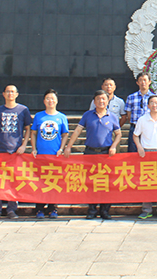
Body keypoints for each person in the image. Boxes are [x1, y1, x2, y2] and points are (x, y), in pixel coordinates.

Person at [64, 90, 121, 220]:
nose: (101, 101)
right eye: (98, 99)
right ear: (94, 101)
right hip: (90, 153)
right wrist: (68, 146)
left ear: (107, 101)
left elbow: (118, 134)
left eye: (103, 99)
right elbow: (77, 131)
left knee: (106, 182)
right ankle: (92, 209)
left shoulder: (112, 116)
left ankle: (105, 210)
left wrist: (113, 146)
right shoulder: (87, 115)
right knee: (90, 182)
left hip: (106, 153)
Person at [0, 84, 32, 220]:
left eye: (12, 92)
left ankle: (11, 209)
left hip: (16, 151)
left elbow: (28, 129)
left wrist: (24, 145)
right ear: (3, 94)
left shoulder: (23, 110)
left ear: (17, 94)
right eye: (8, 91)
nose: (10, 94)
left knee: (14, 181)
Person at [30, 89, 69, 219]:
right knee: (40, 182)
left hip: (55, 156)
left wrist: (61, 148)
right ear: (44, 101)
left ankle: (53, 208)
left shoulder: (61, 117)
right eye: (48, 98)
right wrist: (34, 148)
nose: (50, 101)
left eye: (52, 98)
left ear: (57, 101)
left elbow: (65, 134)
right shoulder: (39, 116)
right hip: (41, 155)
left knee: (54, 182)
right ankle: (39, 209)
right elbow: (33, 133)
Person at [133, 95, 157, 219]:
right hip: (146, 153)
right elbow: (135, 135)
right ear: (148, 105)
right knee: (146, 181)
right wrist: (139, 147)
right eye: (152, 103)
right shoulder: (142, 119)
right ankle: (146, 209)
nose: (154, 105)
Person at [124, 72, 153, 153]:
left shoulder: (154, 98)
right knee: (133, 151)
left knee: (148, 151)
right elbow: (129, 114)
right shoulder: (131, 97)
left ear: (149, 82)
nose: (143, 82)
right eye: (141, 80)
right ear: (137, 82)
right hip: (135, 127)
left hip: (149, 128)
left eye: (145, 80)